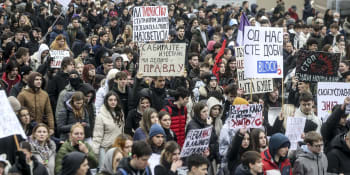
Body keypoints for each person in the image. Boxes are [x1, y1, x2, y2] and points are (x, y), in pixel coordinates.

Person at [92, 91, 124, 168]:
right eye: (110, 100)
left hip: (117, 147)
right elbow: (97, 136)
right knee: (104, 170)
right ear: (106, 101)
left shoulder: (120, 113)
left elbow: (122, 132)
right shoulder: (100, 116)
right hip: (105, 148)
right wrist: (95, 153)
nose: (113, 102)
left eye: (115, 100)